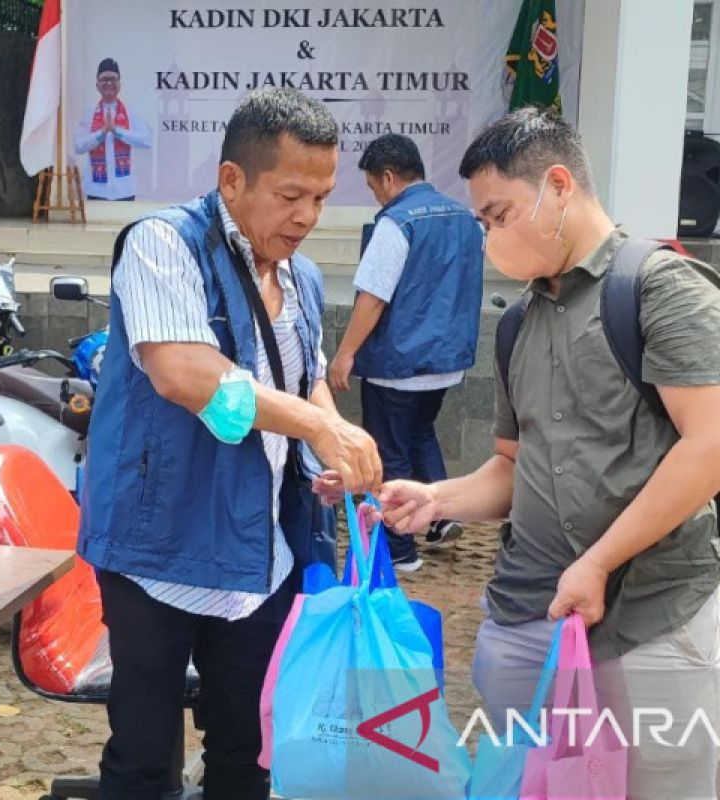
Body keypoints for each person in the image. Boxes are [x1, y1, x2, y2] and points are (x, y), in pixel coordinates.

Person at [367, 108, 720, 799]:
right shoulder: (520, 321)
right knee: (531, 784)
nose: (490, 237)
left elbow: (707, 447)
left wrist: (598, 562)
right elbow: (510, 466)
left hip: (651, 616)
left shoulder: (660, 291)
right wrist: (436, 499)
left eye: (498, 215)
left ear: (557, 186)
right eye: (484, 223)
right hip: (530, 614)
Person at [78, 87, 381, 800]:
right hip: (159, 550)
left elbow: (302, 380)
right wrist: (316, 426)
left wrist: (325, 451)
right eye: (290, 195)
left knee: (248, 753)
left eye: (322, 196)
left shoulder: (301, 275)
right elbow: (186, 374)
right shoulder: (162, 244)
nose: (307, 216)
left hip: (259, 555)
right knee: (145, 760)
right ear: (231, 181)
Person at [327, 134, 485, 571]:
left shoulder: (396, 222)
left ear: (390, 177)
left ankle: (401, 551)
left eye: (375, 186)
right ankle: (442, 515)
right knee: (420, 433)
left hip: (397, 363)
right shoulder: (465, 219)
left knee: (391, 451)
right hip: (447, 361)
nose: (376, 196)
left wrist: (344, 356)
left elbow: (373, 297)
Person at [74, 58, 152, 201]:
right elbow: (78, 147)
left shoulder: (130, 112)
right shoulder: (88, 114)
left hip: (125, 189)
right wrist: (101, 133)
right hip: (96, 189)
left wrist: (117, 131)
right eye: (104, 79)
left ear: (119, 84)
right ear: (97, 85)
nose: (109, 83)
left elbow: (146, 140)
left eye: (113, 79)